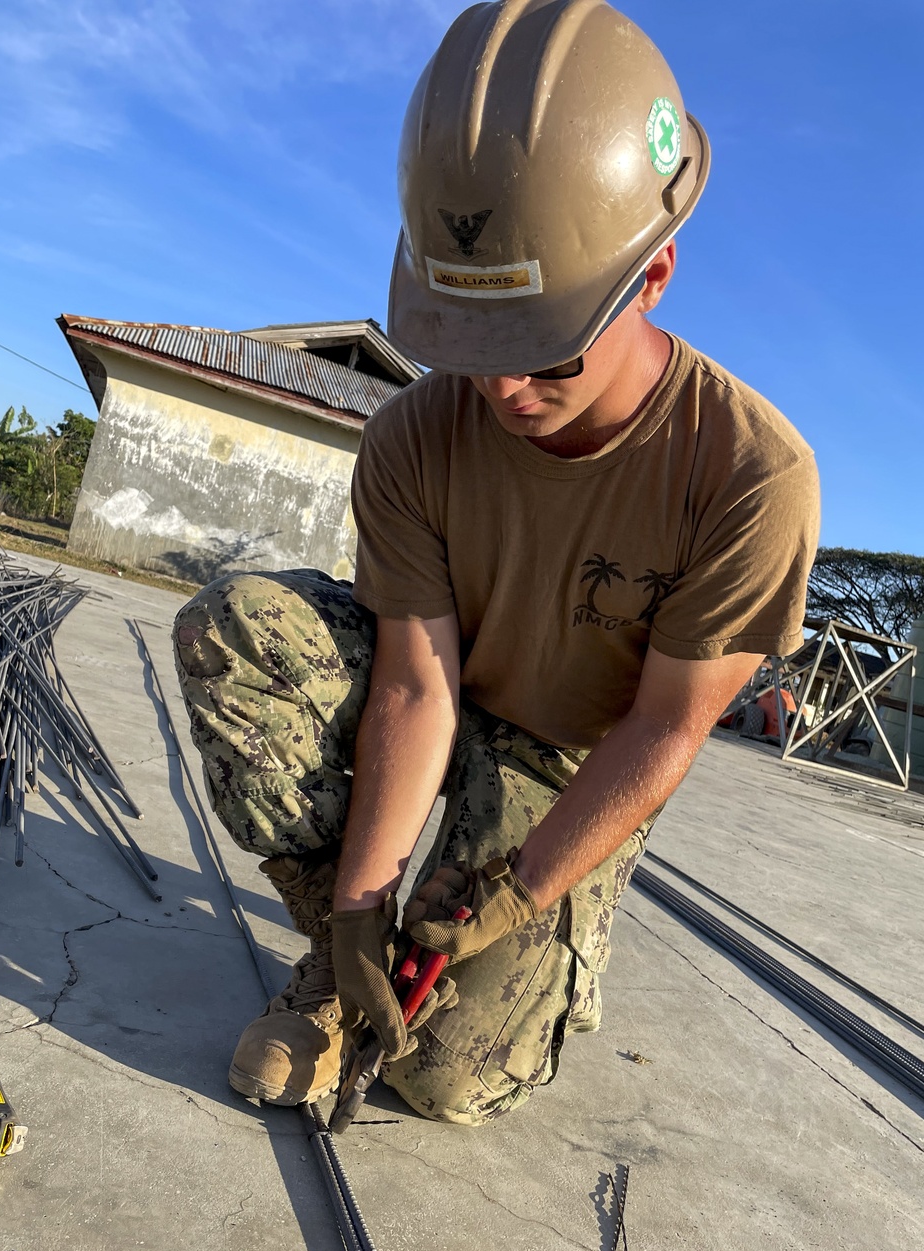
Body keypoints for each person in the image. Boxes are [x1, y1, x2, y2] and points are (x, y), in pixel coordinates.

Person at [173, 0, 819, 1127]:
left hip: (572, 755)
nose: (502, 392)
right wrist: (363, 906)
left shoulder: (748, 475)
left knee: (445, 1078)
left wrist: (516, 899)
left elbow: (663, 728)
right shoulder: (414, 438)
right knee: (235, 629)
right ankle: (340, 969)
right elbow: (417, 682)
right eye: (468, 348)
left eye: (545, 355)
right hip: (442, 689)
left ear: (654, 273)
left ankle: (528, 958)